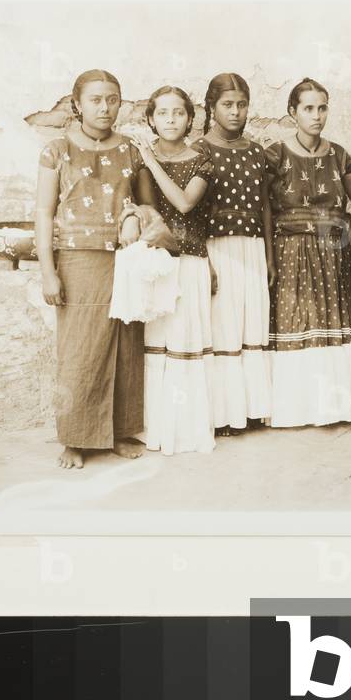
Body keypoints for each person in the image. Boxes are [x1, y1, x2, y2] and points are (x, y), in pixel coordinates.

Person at [35, 69, 156, 469]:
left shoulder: (133, 151)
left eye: (113, 99)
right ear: (77, 104)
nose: (105, 108)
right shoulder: (56, 150)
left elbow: (148, 206)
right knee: (79, 350)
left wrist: (136, 217)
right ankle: (75, 438)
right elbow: (43, 212)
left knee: (125, 345)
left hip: (125, 260)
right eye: (96, 100)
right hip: (77, 259)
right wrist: (48, 272)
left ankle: (119, 433)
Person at [265, 78, 351, 426]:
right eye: (308, 108)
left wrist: (347, 241)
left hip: (331, 250)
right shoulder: (275, 155)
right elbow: (264, 207)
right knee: (296, 319)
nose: (317, 116)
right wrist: (269, 256)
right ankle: (295, 408)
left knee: (329, 320)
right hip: (291, 249)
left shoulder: (339, 155)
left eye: (322, 107)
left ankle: (332, 407)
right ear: (293, 112)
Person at [130, 85, 216, 456]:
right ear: (150, 119)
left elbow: (182, 205)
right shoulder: (138, 166)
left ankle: (186, 431)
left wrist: (150, 160)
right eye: (162, 113)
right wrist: (146, 164)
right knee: (157, 344)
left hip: (191, 262)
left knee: (184, 343)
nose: (170, 120)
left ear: (190, 119)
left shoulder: (202, 161)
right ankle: (155, 429)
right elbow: (149, 216)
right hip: (158, 263)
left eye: (178, 113)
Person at [192, 73, 272, 435]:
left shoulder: (257, 153)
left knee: (251, 322)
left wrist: (269, 256)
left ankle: (252, 409)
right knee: (223, 326)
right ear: (211, 107)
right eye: (227, 105)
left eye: (241, 105)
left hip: (252, 247)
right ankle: (225, 414)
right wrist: (205, 262)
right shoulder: (200, 151)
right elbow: (193, 214)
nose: (236, 112)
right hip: (218, 247)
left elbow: (266, 207)